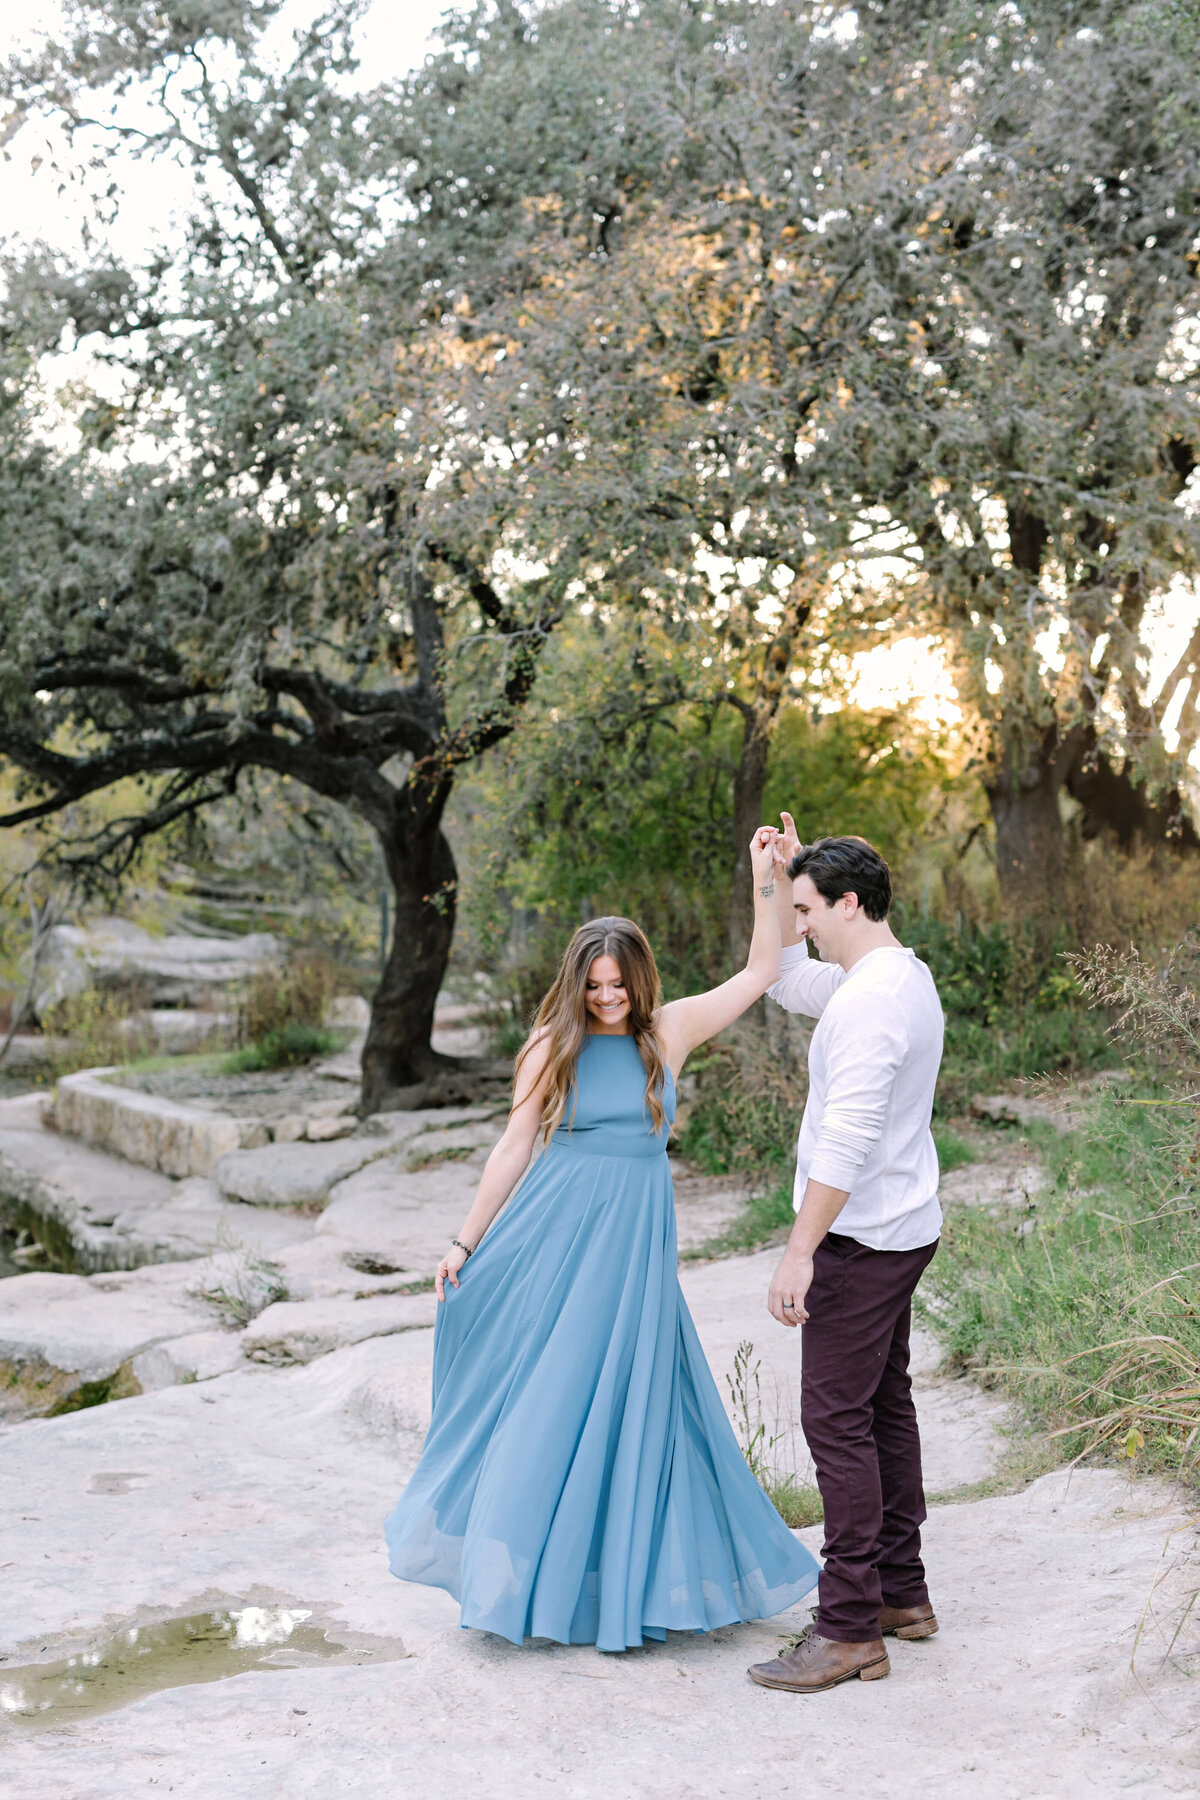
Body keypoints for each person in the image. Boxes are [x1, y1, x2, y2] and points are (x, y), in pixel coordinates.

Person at [385, 829, 819, 1653]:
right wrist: (463, 1244)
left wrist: (773, 879)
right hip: (557, 1245)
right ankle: (520, 1584)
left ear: (639, 980)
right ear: (576, 983)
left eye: (619, 984)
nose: (608, 997)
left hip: (637, 1255)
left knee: (644, 1407)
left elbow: (763, 971)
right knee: (551, 1403)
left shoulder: (669, 1035)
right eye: (594, 985)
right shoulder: (552, 1046)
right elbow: (514, 1146)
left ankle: (630, 1586)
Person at [747, 816, 945, 1695]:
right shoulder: (892, 976)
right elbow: (784, 981)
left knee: (835, 1421)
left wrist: (800, 1252)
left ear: (849, 902)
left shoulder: (870, 1005)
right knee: (881, 1408)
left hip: (861, 1241)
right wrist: (772, 876)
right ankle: (900, 1594)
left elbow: (847, 1137)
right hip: (899, 1227)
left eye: (806, 909)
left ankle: (849, 1627)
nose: (799, 926)